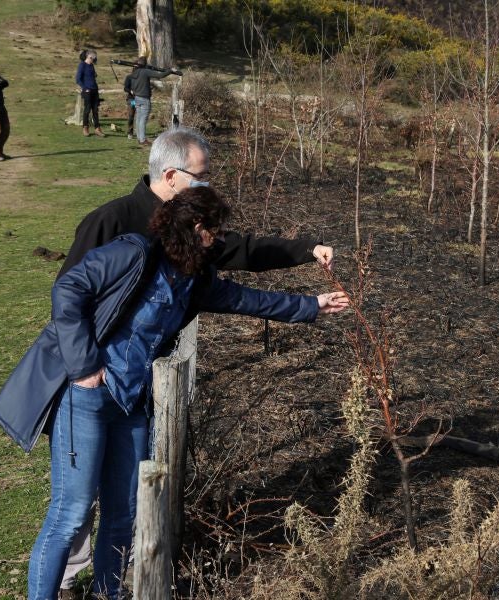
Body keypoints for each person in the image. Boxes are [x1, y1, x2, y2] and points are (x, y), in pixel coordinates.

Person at [0, 186, 350, 600]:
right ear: (197, 229)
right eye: (215, 230)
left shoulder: (196, 279)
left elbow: (247, 299)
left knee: (124, 513)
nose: (220, 239)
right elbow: (69, 290)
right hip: (86, 399)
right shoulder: (133, 254)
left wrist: (311, 306)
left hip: (132, 404)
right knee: (71, 513)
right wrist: (85, 365)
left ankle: (109, 594)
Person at [54, 125, 333, 598]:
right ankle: (65, 580)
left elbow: (242, 255)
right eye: (201, 175)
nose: (209, 183)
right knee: (77, 504)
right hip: (89, 387)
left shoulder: (195, 227)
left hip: (138, 388)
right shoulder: (112, 221)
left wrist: (304, 251)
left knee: (124, 502)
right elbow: (67, 296)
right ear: (171, 175)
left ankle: (113, 584)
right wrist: (85, 370)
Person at [124, 56, 179, 145]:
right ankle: (142, 139)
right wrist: (170, 70)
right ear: (145, 64)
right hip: (144, 99)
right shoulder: (145, 72)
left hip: (136, 98)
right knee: (143, 119)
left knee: (138, 118)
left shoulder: (133, 74)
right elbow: (160, 75)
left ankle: (139, 137)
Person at [75, 49, 104, 138]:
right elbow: (78, 79)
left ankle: (97, 129)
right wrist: (85, 88)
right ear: (89, 57)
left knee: (95, 110)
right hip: (87, 91)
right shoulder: (82, 65)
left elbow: (92, 76)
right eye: (94, 58)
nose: (95, 60)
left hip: (95, 90)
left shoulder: (91, 65)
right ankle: (85, 127)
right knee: (87, 110)